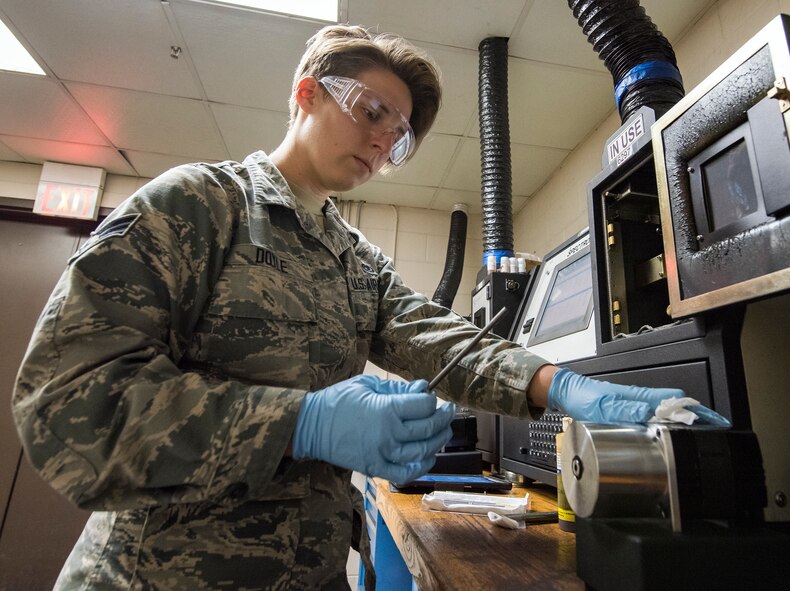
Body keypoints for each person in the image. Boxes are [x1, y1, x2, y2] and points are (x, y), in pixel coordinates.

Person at [12, 24, 727, 590]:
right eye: (371, 111)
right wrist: (300, 422)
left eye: (400, 134)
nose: (384, 140)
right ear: (306, 95)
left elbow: (449, 344)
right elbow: (66, 405)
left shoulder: (353, 258)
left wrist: (567, 388)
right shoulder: (198, 205)